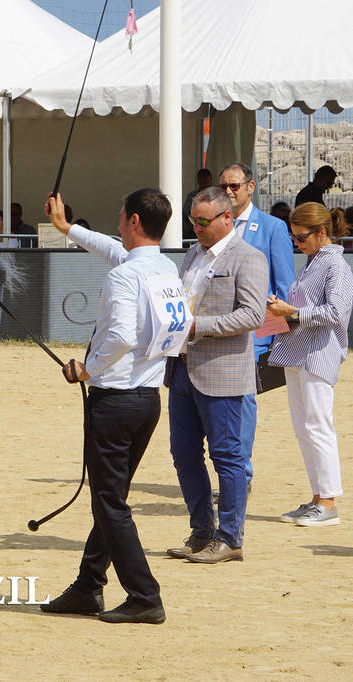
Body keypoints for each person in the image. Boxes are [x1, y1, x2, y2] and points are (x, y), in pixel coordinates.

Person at [38, 189, 176, 625]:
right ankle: (87, 586)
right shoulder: (163, 267)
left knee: (110, 504)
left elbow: (118, 334)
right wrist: (68, 229)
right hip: (148, 399)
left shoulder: (124, 278)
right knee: (109, 498)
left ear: (134, 221)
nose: (117, 223)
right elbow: (117, 251)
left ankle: (144, 595)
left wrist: (86, 369)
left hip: (114, 401)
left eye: (120, 216)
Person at [164, 186, 268, 564]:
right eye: (193, 220)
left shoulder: (249, 258)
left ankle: (230, 538)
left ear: (227, 218)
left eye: (204, 221)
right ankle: (201, 532)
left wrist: (196, 326)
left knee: (228, 457)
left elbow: (252, 316)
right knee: (184, 455)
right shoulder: (193, 254)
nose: (197, 227)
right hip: (182, 369)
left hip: (223, 373)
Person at [266, 203, 352, 527]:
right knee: (305, 430)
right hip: (297, 352)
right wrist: (282, 310)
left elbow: (335, 313)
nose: (297, 244)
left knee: (318, 426)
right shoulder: (312, 262)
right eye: (294, 239)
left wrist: (291, 312)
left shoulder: (337, 267)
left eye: (301, 238)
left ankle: (328, 502)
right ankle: (317, 498)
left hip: (319, 354)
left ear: (321, 233)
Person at [219, 162, 295, 490]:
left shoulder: (272, 227)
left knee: (243, 403)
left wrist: (275, 337)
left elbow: (285, 285)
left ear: (251, 187)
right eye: (224, 186)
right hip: (217, 328)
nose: (229, 191)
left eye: (235, 185)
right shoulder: (216, 225)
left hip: (254, 333)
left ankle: (240, 475)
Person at [182, 168, 213, 239]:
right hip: (193, 229)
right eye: (201, 178)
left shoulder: (216, 194)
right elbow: (185, 213)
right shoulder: (192, 195)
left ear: (210, 179)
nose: (203, 180)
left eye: (205, 177)